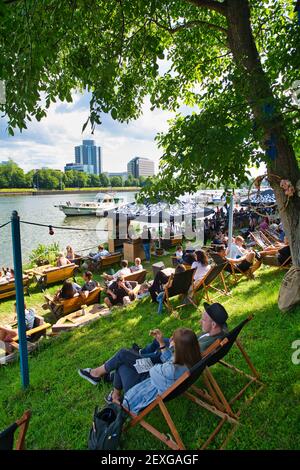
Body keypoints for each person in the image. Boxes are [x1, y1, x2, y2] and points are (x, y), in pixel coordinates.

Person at [78, 302, 228, 386]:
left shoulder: (205, 345)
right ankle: (138, 354)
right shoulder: (217, 333)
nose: (200, 321)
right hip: (176, 356)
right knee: (157, 341)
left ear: (214, 324)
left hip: (167, 364)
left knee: (124, 354)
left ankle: (96, 374)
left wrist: (167, 346)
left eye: (204, 320)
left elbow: (171, 362)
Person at [108, 328, 201, 410]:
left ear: (178, 347)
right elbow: (169, 361)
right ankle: (114, 394)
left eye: (173, 339)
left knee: (122, 364)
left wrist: (141, 360)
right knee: (125, 358)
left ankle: (115, 396)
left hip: (145, 390)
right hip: (157, 382)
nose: (170, 339)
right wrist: (161, 343)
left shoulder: (169, 369)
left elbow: (153, 369)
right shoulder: (190, 359)